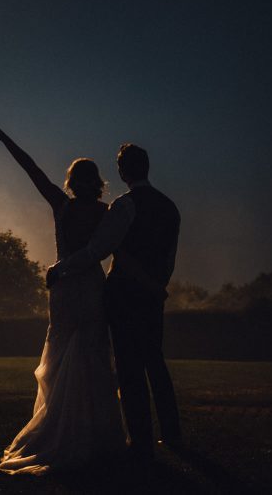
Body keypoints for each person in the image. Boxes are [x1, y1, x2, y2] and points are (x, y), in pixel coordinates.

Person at [0, 114, 125, 474]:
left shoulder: (62, 206)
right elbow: (102, 250)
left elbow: (31, 169)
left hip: (63, 286)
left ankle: (61, 429)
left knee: (63, 357)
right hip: (90, 285)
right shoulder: (108, 212)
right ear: (97, 183)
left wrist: (3, 137)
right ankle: (98, 434)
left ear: (72, 183)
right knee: (92, 356)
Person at [50, 143, 181, 463]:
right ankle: (172, 432)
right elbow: (169, 258)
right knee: (155, 361)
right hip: (152, 295)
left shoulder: (123, 206)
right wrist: (157, 286)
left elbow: (99, 249)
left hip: (123, 294)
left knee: (129, 368)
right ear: (147, 167)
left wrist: (61, 267)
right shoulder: (170, 207)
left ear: (123, 171)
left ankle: (141, 441)